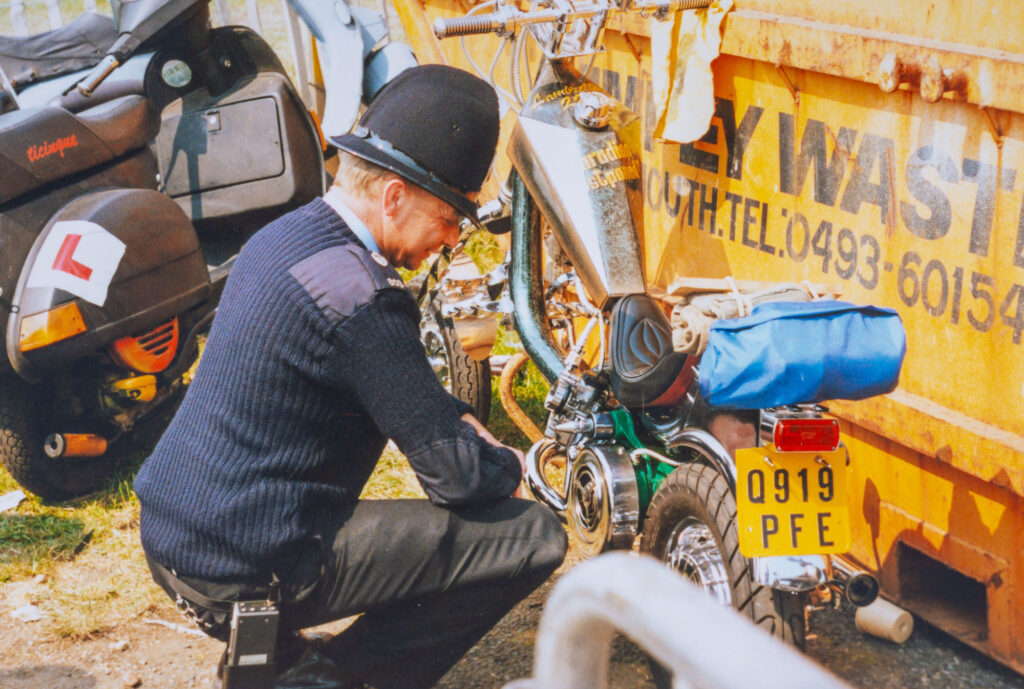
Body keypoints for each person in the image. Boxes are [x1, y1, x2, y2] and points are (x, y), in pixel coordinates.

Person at [134, 64, 567, 689]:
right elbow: (455, 475)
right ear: (393, 196)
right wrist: (512, 467)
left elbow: (406, 397)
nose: (449, 242)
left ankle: (286, 657)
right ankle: (337, 680)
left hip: (178, 532)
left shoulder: (285, 237)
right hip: (242, 560)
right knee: (533, 537)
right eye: (450, 219)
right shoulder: (362, 293)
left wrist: (457, 423)